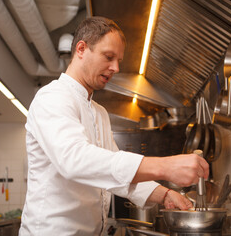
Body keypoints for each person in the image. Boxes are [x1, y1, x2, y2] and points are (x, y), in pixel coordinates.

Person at [19, 16, 209, 236]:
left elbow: (117, 176)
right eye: (108, 57)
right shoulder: (52, 97)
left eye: (118, 60)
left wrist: (165, 194)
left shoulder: (98, 112)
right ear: (81, 49)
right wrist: (166, 167)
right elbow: (73, 160)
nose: (116, 68)